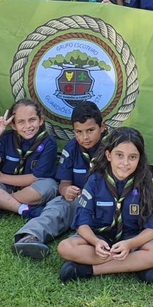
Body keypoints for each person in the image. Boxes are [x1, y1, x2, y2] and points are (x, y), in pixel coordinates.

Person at [57, 127, 153, 283]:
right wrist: (95, 242)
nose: (125, 163)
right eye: (119, 155)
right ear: (109, 155)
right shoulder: (95, 181)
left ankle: (88, 270)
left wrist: (129, 244)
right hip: (100, 238)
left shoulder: (144, 182)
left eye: (132, 157)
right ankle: (136, 265)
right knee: (65, 247)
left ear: (140, 158)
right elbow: (82, 222)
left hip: (131, 239)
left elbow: (152, 229)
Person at [13, 101, 106, 260]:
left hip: (106, 203)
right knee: (57, 205)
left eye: (90, 130)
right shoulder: (71, 148)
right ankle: (30, 237)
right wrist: (66, 191)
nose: (84, 137)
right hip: (79, 201)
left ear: (102, 127)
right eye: (79, 132)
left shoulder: (113, 147)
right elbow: (64, 183)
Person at [0, 99, 59, 217]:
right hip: (3, 188)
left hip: (29, 189)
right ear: (13, 125)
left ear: (41, 120)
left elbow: (35, 177)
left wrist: (2, 177)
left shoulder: (49, 142)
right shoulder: (6, 138)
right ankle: (22, 209)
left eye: (32, 120)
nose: (28, 126)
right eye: (21, 122)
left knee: (50, 185)